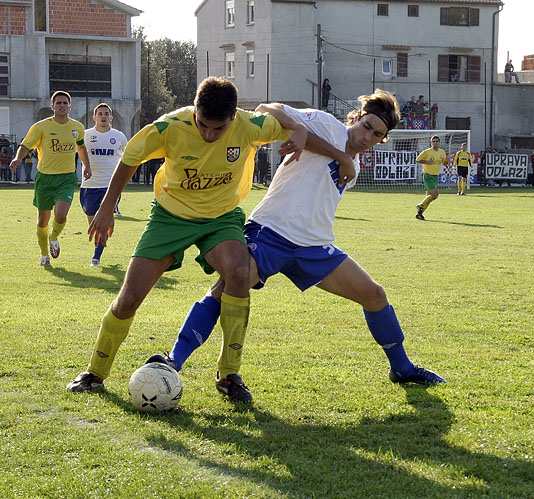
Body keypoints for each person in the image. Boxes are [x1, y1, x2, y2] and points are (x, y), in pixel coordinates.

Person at [147, 89, 444, 400]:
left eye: (377, 134)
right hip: (271, 233)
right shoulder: (327, 125)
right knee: (227, 289)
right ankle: (174, 362)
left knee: (375, 295)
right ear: (356, 118)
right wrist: (338, 153)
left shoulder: (352, 167)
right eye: (366, 125)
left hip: (315, 247)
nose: (368, 135)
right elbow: (267, 107)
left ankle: (403, 368)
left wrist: (345, 160)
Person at [65, 77, 312, 399]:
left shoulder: (251, 125)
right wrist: (106, 208)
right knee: (129, 297)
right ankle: (95, 374)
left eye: (218, 129)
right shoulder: (169, 127)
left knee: (239, 273)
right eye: (202, 125)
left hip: (221, 218)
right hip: (169, 218)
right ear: (194, 110)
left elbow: (279, 118)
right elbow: (129, 160)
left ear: (233, 117)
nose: (209, 135)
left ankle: (229, 375)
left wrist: (299, 129)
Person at [9, 91, 91, 267]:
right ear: (52, 106)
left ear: (70, 106)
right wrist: (17, 158)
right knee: (42, 220)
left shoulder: (77, 127)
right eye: (59, 103)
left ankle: (54, 237)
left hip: (67, 178)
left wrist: (87, 166)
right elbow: (26, 145)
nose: (62, 106)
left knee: (61, 215)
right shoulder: (41, 127)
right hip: (45, 179)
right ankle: (44, 254)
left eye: (65, 103)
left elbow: (81, 147)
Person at [79, 103, 128, 268]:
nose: (103, 116)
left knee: (103, 220)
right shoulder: (85, 135)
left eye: (106, 113)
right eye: (100, 113)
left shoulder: (119, 136)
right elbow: (76, 151)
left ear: (111, 117)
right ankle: (102, 239)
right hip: (89, 186)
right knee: (93, 221)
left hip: (110, 186)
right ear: (94, 117)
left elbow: (127, 158)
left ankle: (96, 257)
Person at [415, 135, 448, 220]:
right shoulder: (427, 152)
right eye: (434, 141)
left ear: (439, 142)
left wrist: (446, 161)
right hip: (428, 175)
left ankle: (419, 214)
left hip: (435, 176)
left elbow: (444, 163)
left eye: (437, 141)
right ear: (431, 142)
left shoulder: (442, 152)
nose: (435, 143)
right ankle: (420, 205)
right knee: (435, 195)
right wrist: (427, 161)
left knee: (429, 197)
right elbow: (417, 160)